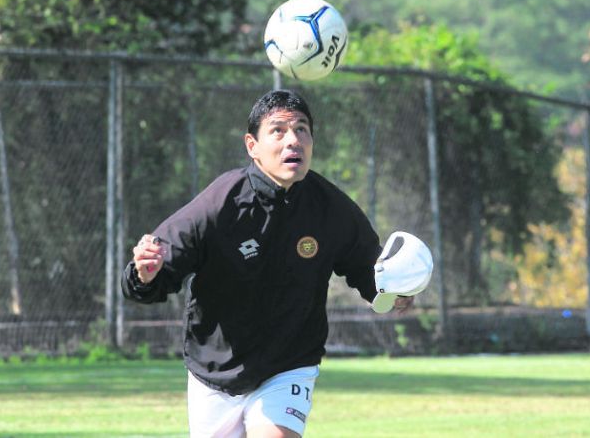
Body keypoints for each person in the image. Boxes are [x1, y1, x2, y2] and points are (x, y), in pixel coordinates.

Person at [122, 89, 414, 438]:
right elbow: (156, 270)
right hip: (215, 368)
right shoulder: (219, 204)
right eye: (278, 131)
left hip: (289, 363)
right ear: (252, 146)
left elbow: (367, 265)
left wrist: (393, 290)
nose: (293, 140)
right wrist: (145, 272)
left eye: (302, 130)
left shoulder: (331, 208)